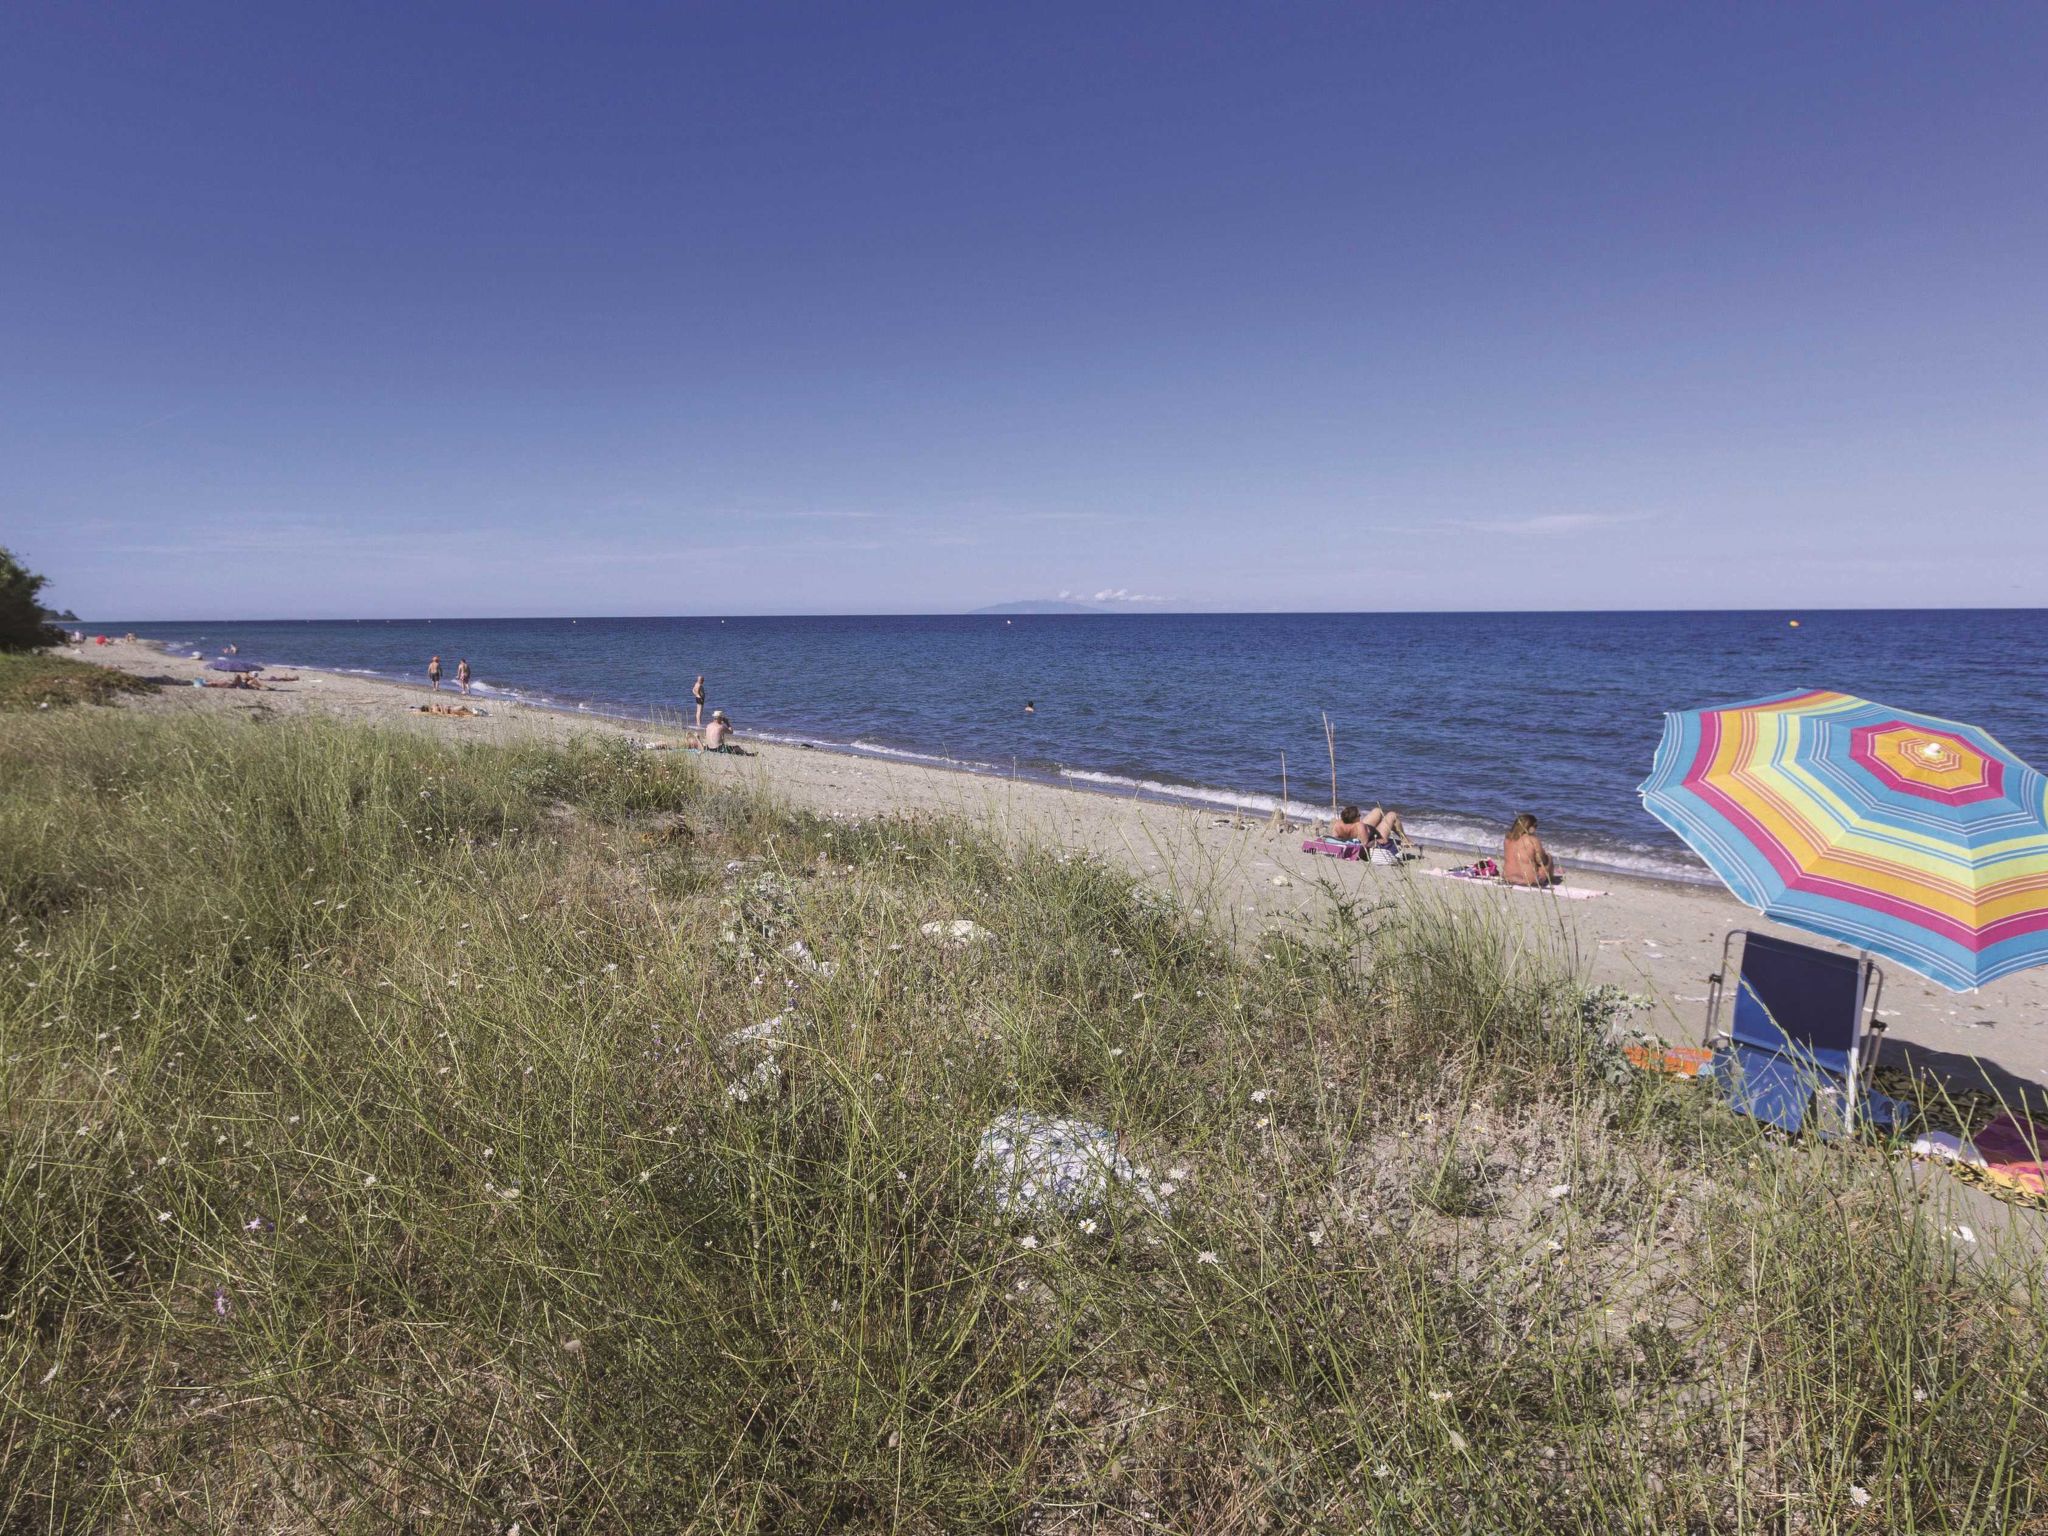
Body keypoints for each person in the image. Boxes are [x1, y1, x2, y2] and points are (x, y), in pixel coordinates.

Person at [1502, 813, 1559, 886]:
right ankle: (1551, 879)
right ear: (1530, 827)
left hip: (1507, 877)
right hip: (1528, 880)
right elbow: (1541, 861)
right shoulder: (1532, 840)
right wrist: (1545, 855)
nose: (1536, 828)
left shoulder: (1507, 839)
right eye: (1535, 826)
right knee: (1549, 858)